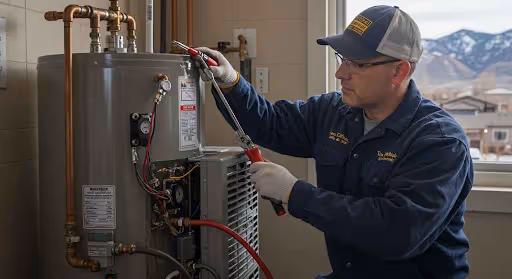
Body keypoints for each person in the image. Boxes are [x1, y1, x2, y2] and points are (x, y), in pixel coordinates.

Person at [196, 5, 473, 279]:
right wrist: (230, 82)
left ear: (399, 71)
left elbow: (397, 233)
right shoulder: (333, 112)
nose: (341, 73)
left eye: (357, 63)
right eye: (342, 59)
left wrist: (294, 193)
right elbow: (270, 123)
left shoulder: (439, 141)